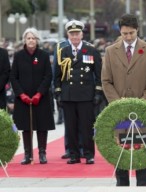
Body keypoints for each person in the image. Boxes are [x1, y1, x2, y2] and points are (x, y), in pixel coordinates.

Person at [101, 13, 146, 186]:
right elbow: (106, 81)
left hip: (142, 112)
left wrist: (142, 104)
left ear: (137, 30)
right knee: (121, 155)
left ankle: (143, 187)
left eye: (131, 33)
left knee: (141, 156)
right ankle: (122, 186)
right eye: (125, 33)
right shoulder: (111, 51)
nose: (128, 37)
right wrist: (118, 104)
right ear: (120, 31)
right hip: (119, 112)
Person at [54, 20, 103, 164]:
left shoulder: (91, 50)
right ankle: (74, 154)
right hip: (68, 94)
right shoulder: (62, 51)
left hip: (86, 95)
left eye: (77, 34)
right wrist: (57, 93)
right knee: (71, 127)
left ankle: (88, 154)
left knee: (86, 126)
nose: (74, 37)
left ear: (82, 34)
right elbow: (57, 75)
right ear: (68, 35)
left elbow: (99, 74)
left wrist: (98, 92)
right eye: (71, 34)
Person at [10, 27, 55, 164]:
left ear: (37, 40)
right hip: (23, 99)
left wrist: (39, 93)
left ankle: (42, 153)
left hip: (40, 98)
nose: (31, 40)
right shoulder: (18, 56)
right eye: (28, 38)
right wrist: (21, 94)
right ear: (25, 40)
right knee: (26, 127)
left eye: (33, 38)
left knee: (42, 126)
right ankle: (28, 154)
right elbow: (13, 77)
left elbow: (48, 76)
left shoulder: (44, 55)